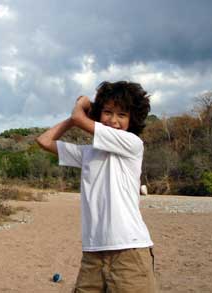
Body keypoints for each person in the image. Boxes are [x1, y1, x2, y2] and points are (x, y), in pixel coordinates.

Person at [36, 81, 155, 292]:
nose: (113, 120)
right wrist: (73, 120)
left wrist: (80, 109)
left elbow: (79, 118)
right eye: (107, 112)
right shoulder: (87, 153)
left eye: (122, 115)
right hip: (93, 253)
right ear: (98, 114)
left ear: (132, 119)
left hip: (129, 251)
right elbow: (44, 140)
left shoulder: (132, 143)